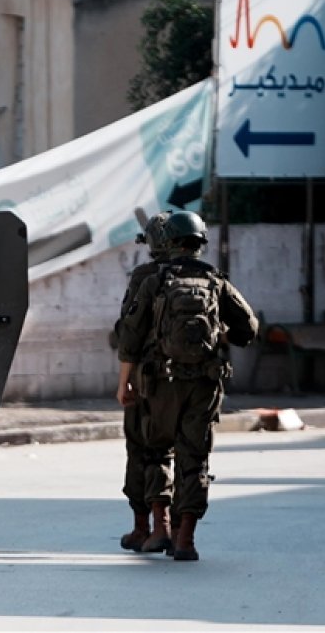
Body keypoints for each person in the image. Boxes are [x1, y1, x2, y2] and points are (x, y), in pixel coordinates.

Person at [116, 211, 258, 561]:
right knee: (194, 458)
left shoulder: (152, 279)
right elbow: (249, 328)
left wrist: (124, 384)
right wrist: (221, 332)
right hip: (205, 384)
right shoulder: (215, 280)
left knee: (154, 451)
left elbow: (128, 335)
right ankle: (186, 540)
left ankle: (158, 527)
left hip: (159, 381)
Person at [112, 212, 175, 554]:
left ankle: (146, 527)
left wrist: (124, 382)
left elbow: (128, 333)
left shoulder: (144, 276)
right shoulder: (203, 276)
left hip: (147, 379)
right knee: (187, 454)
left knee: (143, 450)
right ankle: (179, 532)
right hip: (191, 383)